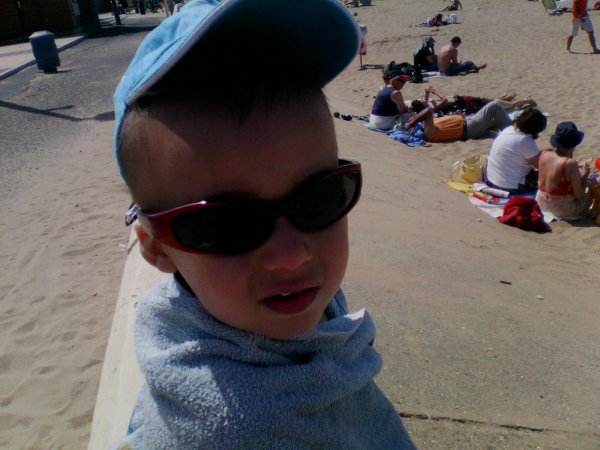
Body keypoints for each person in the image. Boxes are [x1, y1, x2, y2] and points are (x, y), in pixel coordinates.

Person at [111, 0, 417, 448]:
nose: (291, 255)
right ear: (156, 247)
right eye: (225, 225)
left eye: (319, 199)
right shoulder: (233, 433)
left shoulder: (272, 300)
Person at [536, 122, 594, 218]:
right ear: (573, 145)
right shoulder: (570, 163)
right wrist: (585, 175)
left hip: (541, 203)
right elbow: (579, 195)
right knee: (593, 189)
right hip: (563, 209)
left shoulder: (544, 153)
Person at [484, 107, 548, 194]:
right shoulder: (525, 140)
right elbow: (538, 165)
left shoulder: (508, 129)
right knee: (548, 176)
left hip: (491, 180)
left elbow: (522, 153)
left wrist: (544, 152)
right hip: (508, 187)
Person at [405, 99, 512, 142]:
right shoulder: (429, 132)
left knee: (500, 117)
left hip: (468, 122)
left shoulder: (428, 125)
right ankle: (513, 134)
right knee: (494, 105)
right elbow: (428, 110)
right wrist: (411, 124)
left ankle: (512, 127)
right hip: (470, 127)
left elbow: (429, 111)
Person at [410, 87, 536, 116]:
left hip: (461, 100)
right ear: (423, 106)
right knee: (489, 103)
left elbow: (426, 100)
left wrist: (427, 92)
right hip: (462, 104)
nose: (424, 101)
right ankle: (524, 101)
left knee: (484, 100)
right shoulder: (432, 109)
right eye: (422, 102)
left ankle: (507, 99)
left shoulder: (427, 105)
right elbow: (444, 101)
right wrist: (435, 92)